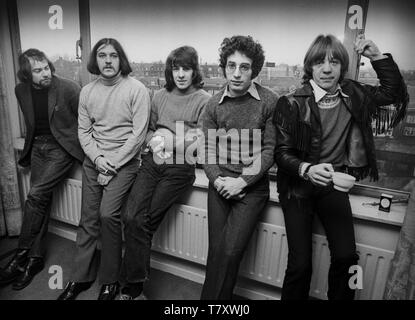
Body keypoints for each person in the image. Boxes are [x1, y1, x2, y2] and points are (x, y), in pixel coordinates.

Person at [273, 34, 408, 300]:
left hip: (333, 185)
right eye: (320, 62)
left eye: (334, 62)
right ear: (309, 67)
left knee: (348, 257)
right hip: (298, 189)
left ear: (342, 67)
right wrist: (307, 169)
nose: (326, 68)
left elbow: (393, 94)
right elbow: (281, 153)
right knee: (300, 265)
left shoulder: (354, 93)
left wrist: (377, 57)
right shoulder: (291, 102)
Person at [57, 38, 151, 300]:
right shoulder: (87, 91)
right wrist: (98, 160)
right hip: (94, 161)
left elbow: (138, 135)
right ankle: (80, 278)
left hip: (125, 163)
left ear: (121, 59)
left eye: (113, 55)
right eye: (102, 55)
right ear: (95, 60)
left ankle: (109, 281)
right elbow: (83, 132)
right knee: (87, 219)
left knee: (108, 216)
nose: (108, 60)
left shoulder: (137, 90)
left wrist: (112, 165)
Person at [119, 46, 211, 300]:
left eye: (186, 68)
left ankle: (131, 287)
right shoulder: (159, 96)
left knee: (143, 222)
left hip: (180, 168)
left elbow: (200, 144)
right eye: (176, 68)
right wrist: (155, 141)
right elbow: (146, 131)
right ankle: (131, 282)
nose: (181, 74)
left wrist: (171, 140)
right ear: (170, 71)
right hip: (152, 161)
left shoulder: (204, 99)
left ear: (195, 70)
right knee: (130, 216)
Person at [200, 35, 278, 299]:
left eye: (244, 67)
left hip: (251, 188)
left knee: (231, 253)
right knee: (217, 251)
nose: (236, 73)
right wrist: (218, 180)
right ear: (223, 67)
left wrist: (242, 182)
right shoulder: (212, 105)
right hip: (220, 184)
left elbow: (270, 150)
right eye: (231, 65)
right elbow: (207, 149)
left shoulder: (269, 101)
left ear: (254, 70)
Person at [0, 49, 83, 290]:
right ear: (27, 74)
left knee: (35, 195)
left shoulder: (68, 88)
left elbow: (85, 121)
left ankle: (20, 254)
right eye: (37, 70)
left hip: (62, 149)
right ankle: (35, 259)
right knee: (41, 201)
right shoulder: (20, 90)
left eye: (46, 67)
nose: (45, 73)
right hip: (37, 147)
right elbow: (32, 122)